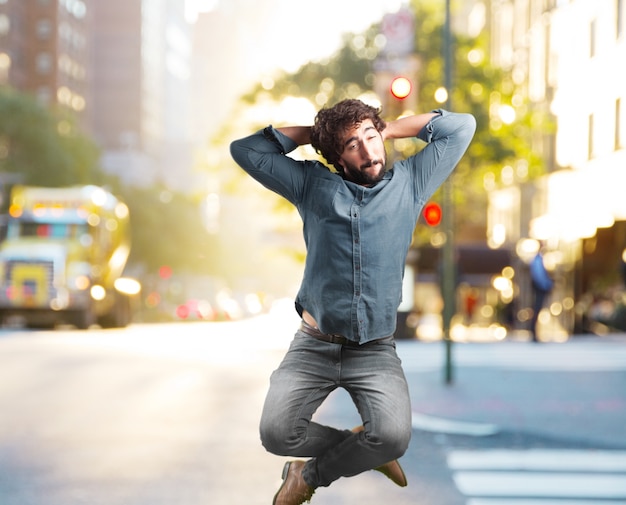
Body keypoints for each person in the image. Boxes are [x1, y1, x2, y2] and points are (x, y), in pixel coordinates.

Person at [230, 99, 476, 505]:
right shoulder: (310, 185)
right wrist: (317, 135)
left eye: (370, 138)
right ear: (337, 157)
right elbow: (246, 150)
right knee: (276, 434)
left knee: (393, 437)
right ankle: (362, 449)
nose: (368, 150)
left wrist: (389, 128)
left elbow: (461, 127)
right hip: (314, 345)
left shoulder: (411, 182)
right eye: (351, 145)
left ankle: (307, 474)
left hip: (375, 350)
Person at [529, 247, 554, 342]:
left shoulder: (538, 260)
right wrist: (547, 285)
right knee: (536, 309)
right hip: (540, 288)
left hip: (540, 287)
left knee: (537, 310)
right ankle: (533, 332)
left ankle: (534, 332)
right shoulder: (538, 260)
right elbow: (539, 275)